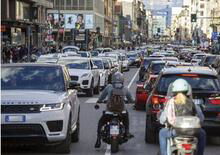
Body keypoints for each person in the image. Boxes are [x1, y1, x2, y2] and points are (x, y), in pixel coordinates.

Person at [159, 79, 206, 155]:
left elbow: (164, 118)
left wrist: (162, 120)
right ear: (187, 90)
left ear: (173, 90)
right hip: (193, 132)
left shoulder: (171, 102)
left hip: (176, 132)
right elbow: (201, 118)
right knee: (203, 134)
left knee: (162, 133)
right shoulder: (192, 102)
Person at [94, 72, 135, 148]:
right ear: (122, 80)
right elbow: (131, 99)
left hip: (109, 112)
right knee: (126, 119)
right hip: (121, 112)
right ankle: (127, 132)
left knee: (100, 123)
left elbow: (102, 97)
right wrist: (132, 102)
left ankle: (98, 139)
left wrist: (99, 101)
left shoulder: (109, 87)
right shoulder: (125, 88)